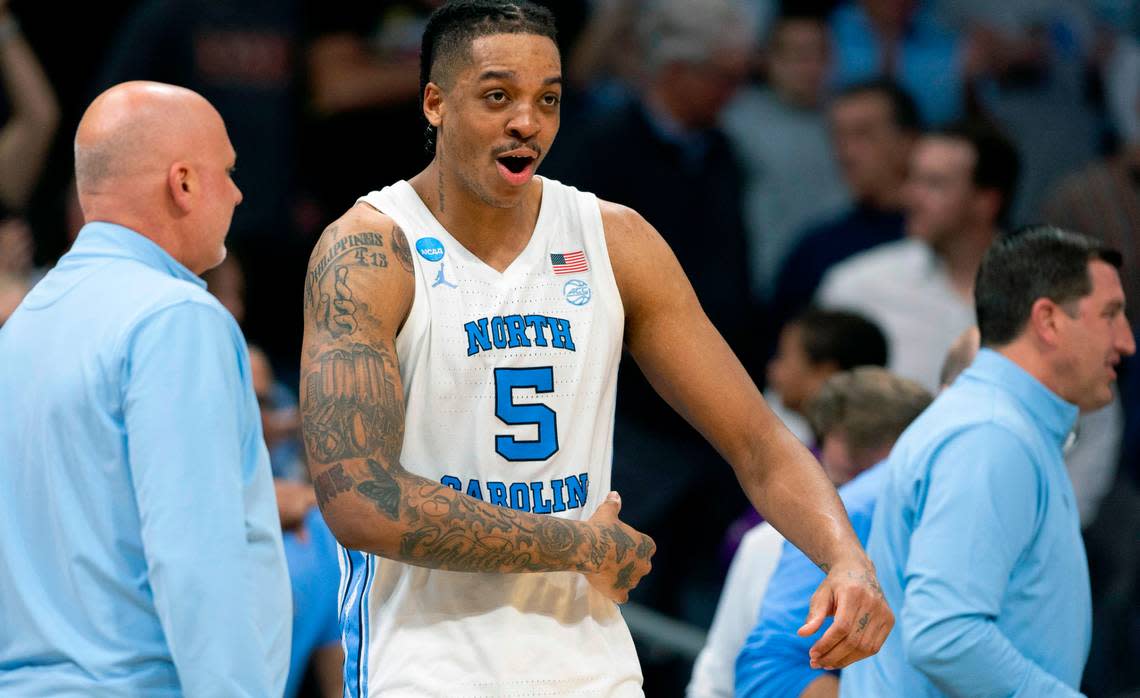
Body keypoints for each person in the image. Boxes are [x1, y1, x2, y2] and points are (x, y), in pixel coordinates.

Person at [299, 2, 892, 695]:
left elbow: (757, 440)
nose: (528, 121)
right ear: (435, 102)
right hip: (427, 665)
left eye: (547, 99)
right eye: (498, 97)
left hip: (588, 665)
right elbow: (361, 501)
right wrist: (576, 545)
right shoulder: (370, 250)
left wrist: (847, 558)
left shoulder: (614, 241)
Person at [0, 81, 290, 696]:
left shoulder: (26, 322)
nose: (239, 193)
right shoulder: (175, 318)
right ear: (182, 183)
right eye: (229, 172)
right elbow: (194, 561)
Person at [842, 225, 1135, 696]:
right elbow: (944, 637)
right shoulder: (991, 436)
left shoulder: (999, 427)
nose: (1126, 342)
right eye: (1111, 315)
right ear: (1049, 321)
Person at [689, 367, 930, 698]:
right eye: (850, 478)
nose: (864, 490)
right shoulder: (767, 544)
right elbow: (719, 676)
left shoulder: (932, 546)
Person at [817, 119, 1020, 390]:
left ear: (986, 202)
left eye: (934, 184)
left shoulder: (1047, 290)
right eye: (912, 179)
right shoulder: (857, 287)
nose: (910, 197)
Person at [768, 79, 919, 333]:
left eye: (863, 134)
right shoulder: (814, 250)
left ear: (909, 141)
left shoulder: (945, 240)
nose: (846, 152)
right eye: (838, 136)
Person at [721, 10, 848, 300]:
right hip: (771, 283)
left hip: (843, 276)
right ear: (768, 60)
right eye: (798, 55)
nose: (811, 66)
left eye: (820, 54)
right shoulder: (733, 123)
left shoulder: (849, 119)